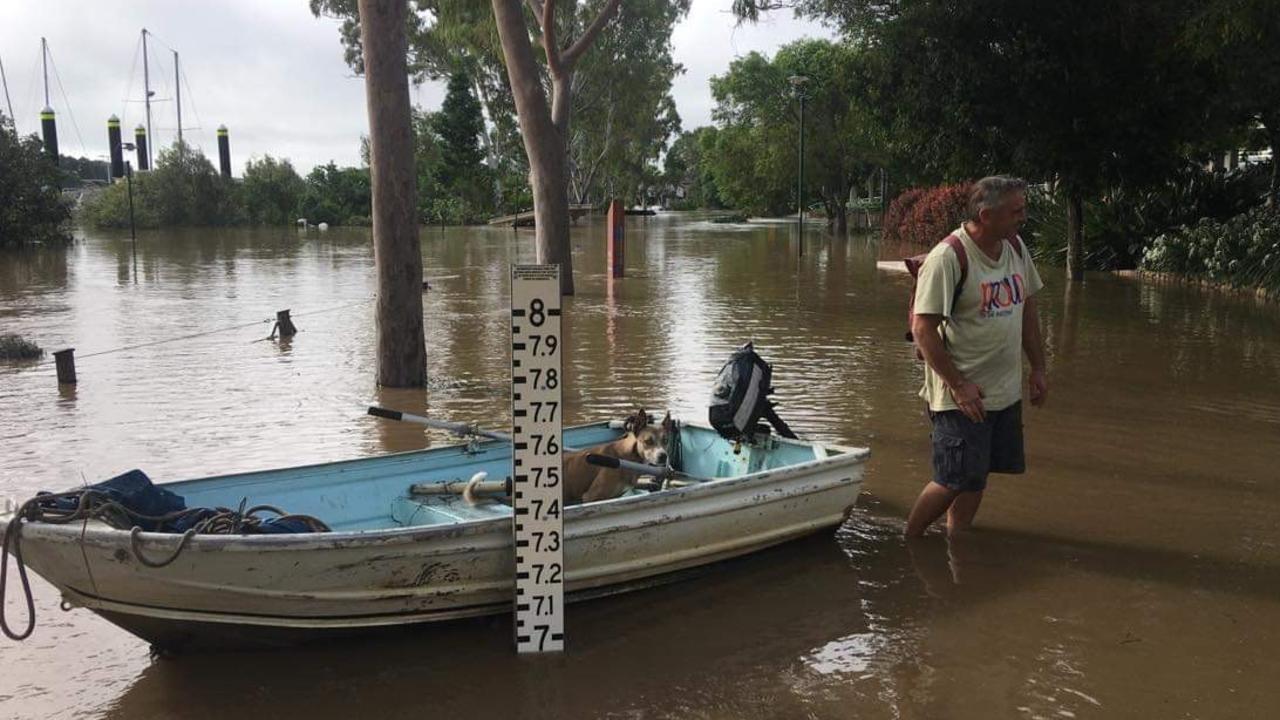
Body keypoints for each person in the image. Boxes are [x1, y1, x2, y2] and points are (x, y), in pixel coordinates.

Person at [905, 176, 1048, 537]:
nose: (1023, 217)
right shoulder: (949, 257)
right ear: (986, 215)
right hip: (960, 397)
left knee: (976, 475)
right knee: (951, 479)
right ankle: (910, 542)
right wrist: (959, 385)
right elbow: (923, 329)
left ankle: (958, 544)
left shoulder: (1015, 247)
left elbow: (1027, 309)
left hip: (1002, 391)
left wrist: (1038, 368)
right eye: (1016, 211)